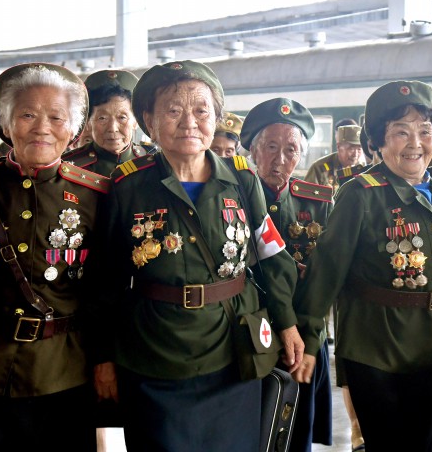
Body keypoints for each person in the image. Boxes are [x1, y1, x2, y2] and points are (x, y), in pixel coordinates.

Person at [89, 60, 303, 452]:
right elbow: (105, 280)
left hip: (234, 350)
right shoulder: (128, 185)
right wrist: (103, 358)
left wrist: (288, 324)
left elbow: (271, 255)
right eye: (174, 110)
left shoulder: (242, 178)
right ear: (149, 122)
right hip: (155, 353)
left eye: (201, 110)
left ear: (216, 118)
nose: (190, 122)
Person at [293, 80, 432, 452]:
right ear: (378, 143)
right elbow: (326, 272)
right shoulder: (359, 195)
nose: (415, 143)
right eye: (400, 132)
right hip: (375, 348)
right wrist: (308, 339)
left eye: (424, 131)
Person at [0, 63, 109, 451]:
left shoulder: (98, 196)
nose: (42, 126)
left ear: (73, 131)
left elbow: (108, 289)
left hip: (64, 372)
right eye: (27, 114)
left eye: (56, 116)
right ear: (6, 125)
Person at [239, 97, 334, 452]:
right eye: (271, 147)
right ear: (252, 150)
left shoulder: (319, 202)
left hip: (304, 334)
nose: (280, 160)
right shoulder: (234, 196)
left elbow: (324, 281)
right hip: (249, 333)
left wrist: (310, 340)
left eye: (291, 149)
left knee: (294, 431)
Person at [62, 69, 152, 176]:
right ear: (88, 123)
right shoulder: (70, 167)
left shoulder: (151, 162)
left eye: (122, 117)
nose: (112, 128)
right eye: (102, 118)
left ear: (135, 121)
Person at [304, 122, 365, 191]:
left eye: (359, 149)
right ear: (338, 147)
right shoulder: (319, 169)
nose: (355, 154)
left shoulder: (364, 169)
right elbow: (307, 198)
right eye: (351, 149)